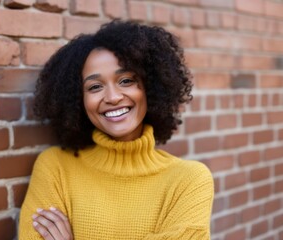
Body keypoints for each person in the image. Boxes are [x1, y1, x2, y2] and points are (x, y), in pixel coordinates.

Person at [19, 20, 214, 240]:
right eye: (95, 87)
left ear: (150, 86)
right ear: (78, 99)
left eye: (126, 80)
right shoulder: (55, 168)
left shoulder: (189, 180)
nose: (112, 97)